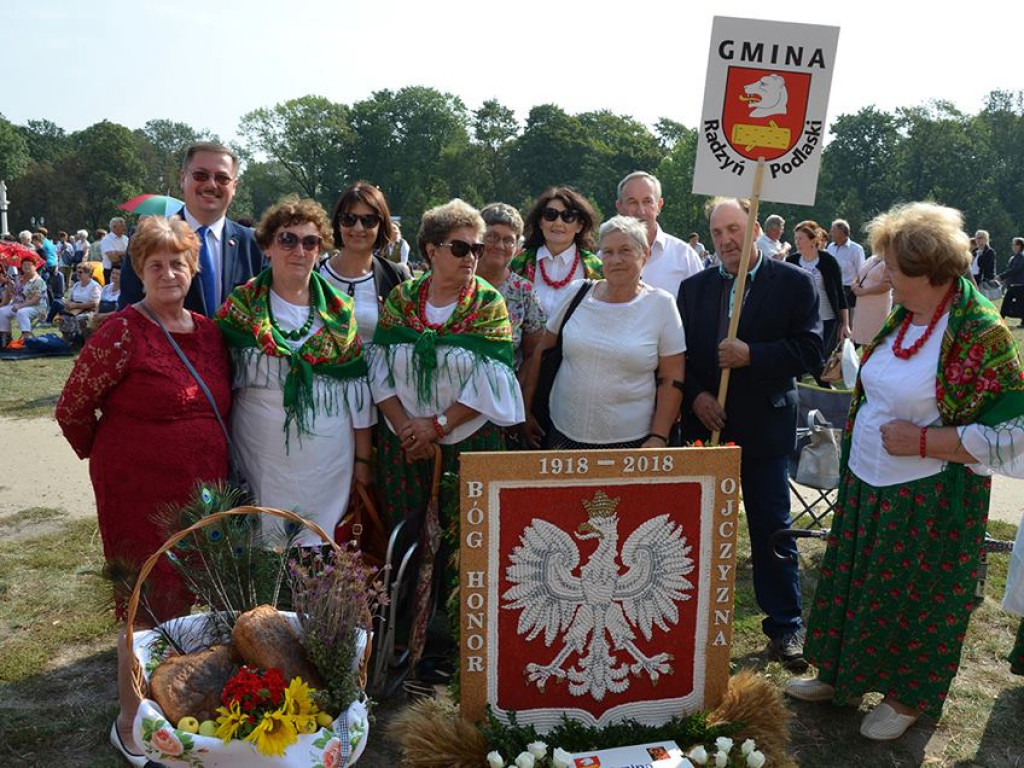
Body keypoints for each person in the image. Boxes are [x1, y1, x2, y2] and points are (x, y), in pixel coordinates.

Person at [785, 201, 1024, 741]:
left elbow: (1015, 435)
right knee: (857, 581)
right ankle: (841, 675)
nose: (881, 273)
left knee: (920, 597)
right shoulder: (905, 314)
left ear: (927, 268)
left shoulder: (981, 333)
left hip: (930, 497)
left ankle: (908, 695)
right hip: (869, 485)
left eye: (891, 264)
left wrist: (924, 441)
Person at [55, 216, 230, 763]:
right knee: (146, 604)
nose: (168, 273)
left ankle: (181, 704)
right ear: (139, 270)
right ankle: (131, 721)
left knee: (197, 596)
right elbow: (73, 408)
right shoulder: (121, 332)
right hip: (138, 491)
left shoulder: (210, 333)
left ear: (193, 267)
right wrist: (115, 458)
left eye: (178, 262)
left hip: (203, 489)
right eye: (156, 264)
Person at [369, 199, 523, 673]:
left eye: (476, 248)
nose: (472, 256)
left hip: (468, 444)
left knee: (465, 548)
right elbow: (379, 370)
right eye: (460, 247)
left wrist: (436, 426)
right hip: (402, 445)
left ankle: (461, 653)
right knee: (405, 539)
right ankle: (401, 643)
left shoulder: (487, 303)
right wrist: (405, 426)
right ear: (431, 250)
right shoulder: (402, 300)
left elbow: (492, 381)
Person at [677, 197, 823, 670]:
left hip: (764, 426)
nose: (726, 240)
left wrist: (753, 355)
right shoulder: (694, 288)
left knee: (771, 527)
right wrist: (697, 396)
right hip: (706, 426)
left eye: (734, 229)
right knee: (696, 528)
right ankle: (688, 624)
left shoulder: (794, 282)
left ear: (756, 227)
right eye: (718, 232)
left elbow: (811, 351)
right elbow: (678, 357)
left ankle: (784, 625)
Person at [216, 197, 374, 547]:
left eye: (310, 242)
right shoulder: (241, 308)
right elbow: (216, 376)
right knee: (263, 546)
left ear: (320, 250)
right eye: (287, 240)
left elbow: (358, 390)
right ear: (267, 247)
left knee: (320, 547)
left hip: (329, 459)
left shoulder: (340, 312)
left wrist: (364, 460)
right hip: (259, 455)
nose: (299, 251)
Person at [524, 215, 685, 449]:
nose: (616, 259)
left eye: (625, 250)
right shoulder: (576, 293)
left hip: (632, 442)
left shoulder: (662, 305)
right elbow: (542, 351)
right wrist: (527, 411)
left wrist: (659, 436)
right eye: (608, 252)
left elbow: (672, 377)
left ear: (645, 254)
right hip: (561, 433)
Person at [120, 141, 264, 316]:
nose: (211, 185)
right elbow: (129, 312)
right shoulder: (147, 240)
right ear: (182, 179)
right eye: (201, 175)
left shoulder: (255, 245)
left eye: (222, 178)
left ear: (234, 187)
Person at [317, 181, 412, 347]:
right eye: (349, 219)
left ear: (381, 225)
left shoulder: (396, 278)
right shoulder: (316, 275)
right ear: (338, 224)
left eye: (369, 220)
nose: (358, 228)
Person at [509, 186, 602, 318]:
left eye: (568, 216)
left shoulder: (596, 269)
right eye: (550, 215)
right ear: (540, 222)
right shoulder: (519, 264)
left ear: (580, 225)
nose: (558, 223)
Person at [478, 202, 545, 373]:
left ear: (517, 248)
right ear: (478, 239)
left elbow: (532, 355)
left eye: (508, 240)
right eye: (492, 237)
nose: (500, 246)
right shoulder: (458, 281)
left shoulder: (524, 292)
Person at [613, 171, 703, 297]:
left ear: (659, 205)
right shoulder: (605, 260)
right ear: (619, 206)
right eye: (632, 202)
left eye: (647, 201)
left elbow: (703, 303)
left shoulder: (685, 257)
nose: (641, 211)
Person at [786, 219, 849, 355]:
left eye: (801, 238)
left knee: (821, 358)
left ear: (813, 240)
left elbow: (840, 294)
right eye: (796, 238)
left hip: (826, 320)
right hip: (801, 321)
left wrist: (845, 324)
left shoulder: (829, 262)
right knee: (803, 356)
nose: (797, 242)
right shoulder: (791, 262)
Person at [0, 257, 49, 349]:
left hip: (37, 307)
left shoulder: (39, 281)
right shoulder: (20, 278)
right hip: (18, 305)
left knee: (22, 312)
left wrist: (20, 306)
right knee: (2, 311)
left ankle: (26, 338)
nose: (26, 267)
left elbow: (35, 300)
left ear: (35, 267)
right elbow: (14, 293)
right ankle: (6, 338)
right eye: (24, 265)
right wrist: (9, 284)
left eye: (29, 265)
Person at [850, 251, 892, 345]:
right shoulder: (871, 259)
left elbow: (887, 285)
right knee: (863, 340)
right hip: (862, 307)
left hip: (877, 307)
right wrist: (854, 287)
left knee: (876, 341)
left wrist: (864, 291)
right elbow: (858, 277)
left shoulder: (889, 261)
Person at [54, 262, 102, 344]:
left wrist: (77, 305)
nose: (77, 274)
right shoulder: (76, 285)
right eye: (76, 271)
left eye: (80, 272)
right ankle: (67, 340)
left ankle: (86, 341)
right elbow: (70, 298)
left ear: (88, 273)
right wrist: (68, 304)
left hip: (89, 311)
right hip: (75, 310)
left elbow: (95, 303)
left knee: (81, 318)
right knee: (62, 317)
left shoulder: (94, 286)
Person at [827, 218, 866, 313]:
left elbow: (861, 272)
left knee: (847, 318)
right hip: (832, 288)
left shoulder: (856, 249)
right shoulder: (830, 247)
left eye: (833, 231)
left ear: (842, 232)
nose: (830, 233)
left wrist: (856, 289)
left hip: (848, 291)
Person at [87, 264, 122, 336]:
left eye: (117, 274)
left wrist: (102, 316)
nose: (114, 276)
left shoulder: (123, 292)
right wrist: (96, 314)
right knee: (85, 319)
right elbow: (99, 303)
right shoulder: (106, 288)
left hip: (112, 318)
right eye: (113, 273)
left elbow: (119, 311)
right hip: (100, 315)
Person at [998, 237, 1024, 327]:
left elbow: (1014, 270)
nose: (1012, 246)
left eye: (1014, 244)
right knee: (1020, 304)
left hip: (1018, 285)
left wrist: (1001, 276)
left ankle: (1000, 320)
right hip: (1017, 285)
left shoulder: (1020, 257)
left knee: (1006, 303)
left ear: (1019, 246)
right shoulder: (1016, 257)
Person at [99, 217, 129, 283]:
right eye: (122, 226)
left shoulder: (126, 239)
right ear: (114, 227)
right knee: (111, 289)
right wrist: (125, 254)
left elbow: (131, 254)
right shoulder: (107, 240)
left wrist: (118, 253)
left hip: (124, 270)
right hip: (110, 271)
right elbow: (113, 258)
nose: (124, 228)